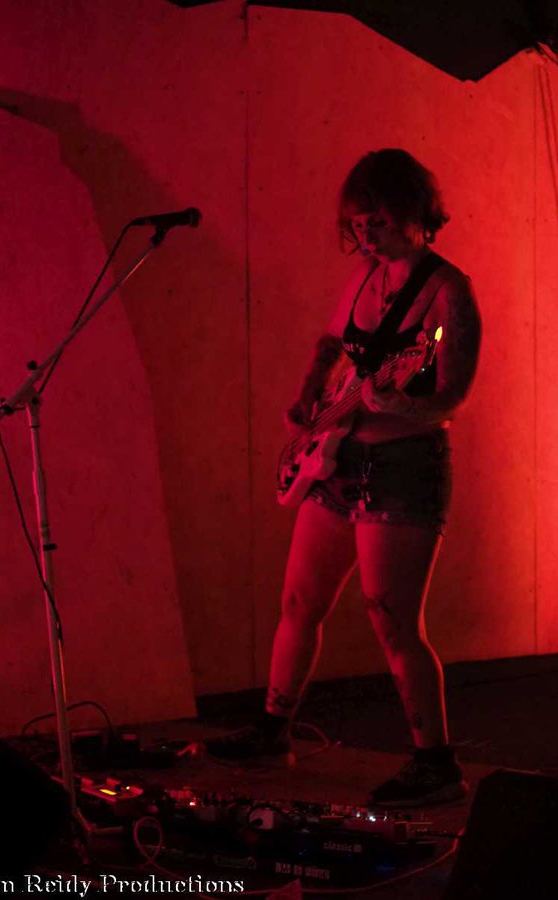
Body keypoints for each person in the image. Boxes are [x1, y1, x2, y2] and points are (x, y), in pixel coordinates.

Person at [205, 148, 481, 807]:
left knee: (392, 619)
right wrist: (309, 399)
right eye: (357, 226)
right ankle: (273, 728)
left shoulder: (449, 292)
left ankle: (435, 761)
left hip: (404, 465)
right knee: (301, 601)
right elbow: (333, 344)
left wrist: (399, 404)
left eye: (376, 222)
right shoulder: (364, 278)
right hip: (336, 457)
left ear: (413, 212)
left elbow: (451, 395)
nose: (366, 237)